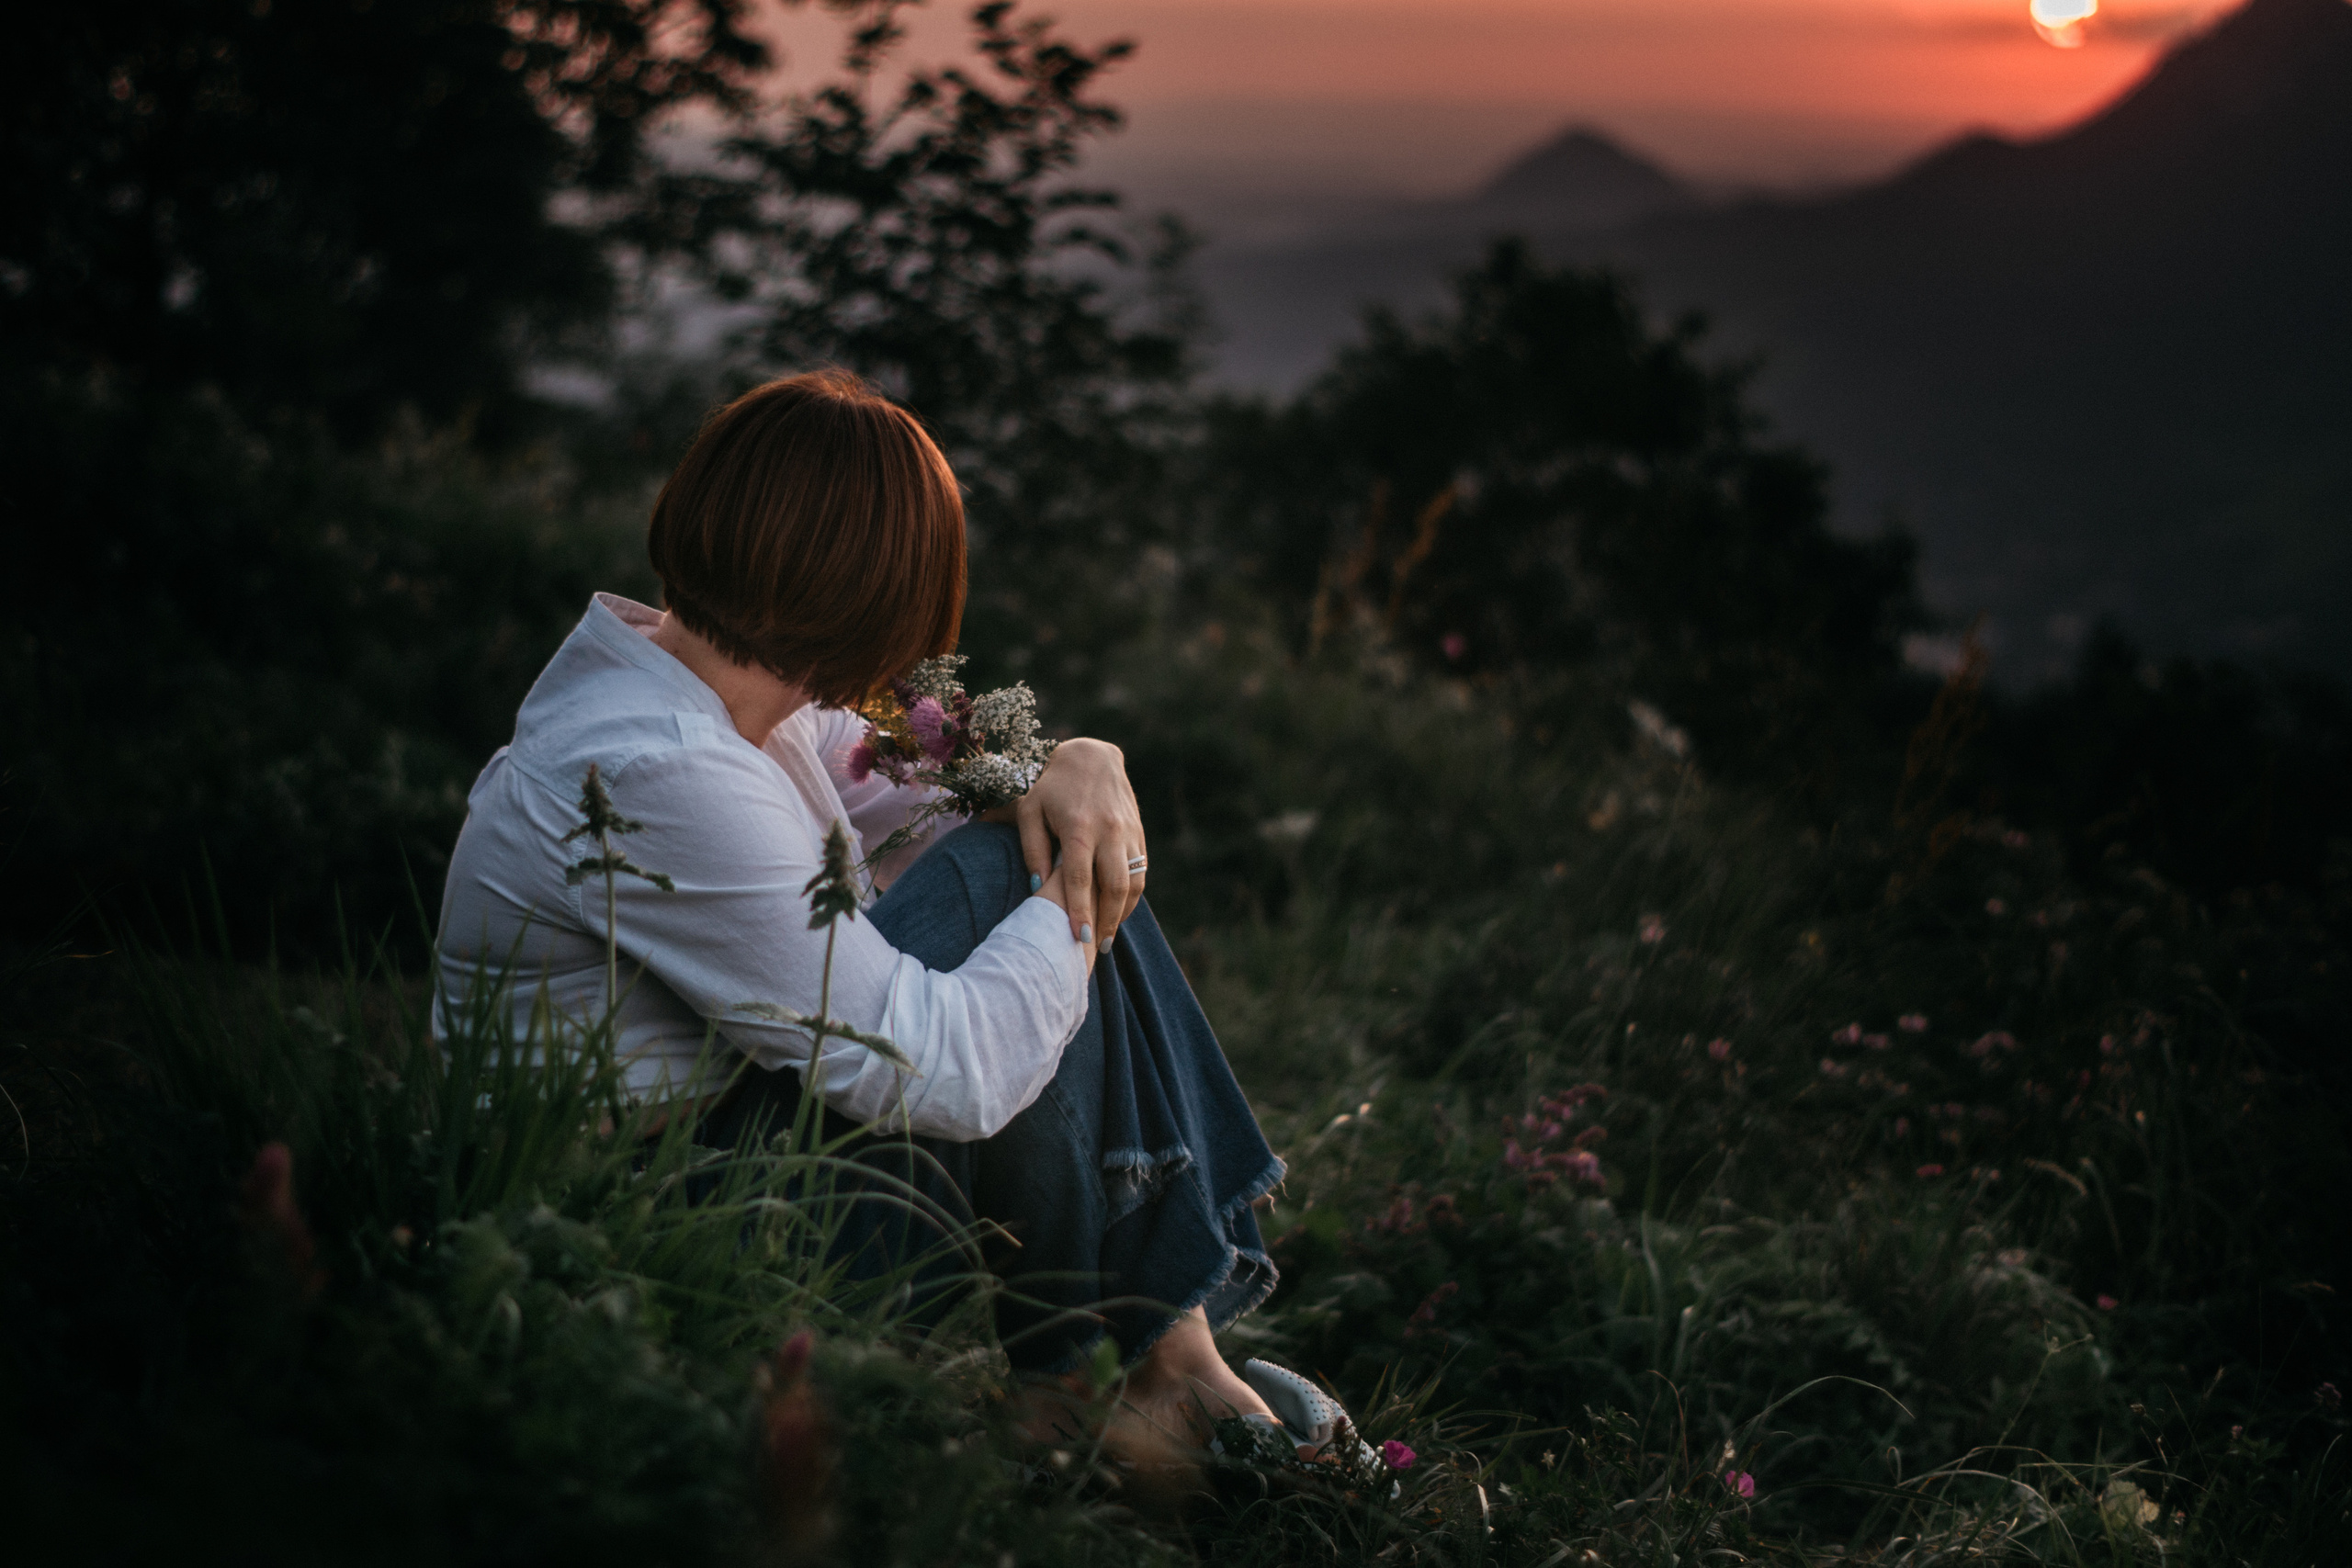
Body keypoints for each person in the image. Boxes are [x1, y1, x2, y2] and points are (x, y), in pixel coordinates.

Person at [435, 369, 1337, 1465]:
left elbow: (925, 787)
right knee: (1021, 884)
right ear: (881, 597)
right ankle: (1138, 1384)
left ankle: (1156, 1372)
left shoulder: (728, 704)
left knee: (1024, 860)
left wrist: (1080, 766)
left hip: (706, 1175)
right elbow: (934, 1067)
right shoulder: (658, 768)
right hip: (656, 1241)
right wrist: (1070, 897)